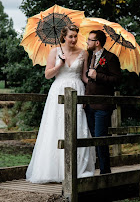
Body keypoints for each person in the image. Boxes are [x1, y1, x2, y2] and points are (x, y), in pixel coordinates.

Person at [26, 24, 96, 183]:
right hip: (58, 91)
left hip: (77, 89)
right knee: (55, 128)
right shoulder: (54, 52)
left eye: (75, 36)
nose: (73, 39)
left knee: (77, 127)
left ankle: (76, 167)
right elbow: (47, 75)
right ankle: (54, 170)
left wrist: (93, 79)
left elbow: (85, 78)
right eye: (70, 36)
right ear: (64, 36)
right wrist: (59, 65)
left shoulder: (84, 53)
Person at [85, 30, 122, 174]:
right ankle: (96, 168)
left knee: (101, 138)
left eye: (90, 39)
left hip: (103, 105)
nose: (87, 42)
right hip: (89, 104)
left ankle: (105, 171)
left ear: (97, 42)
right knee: (93, 138)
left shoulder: (111, 58)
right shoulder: (89, 57)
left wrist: (98, 75)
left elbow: (117, 80)